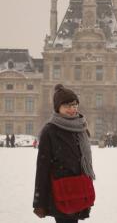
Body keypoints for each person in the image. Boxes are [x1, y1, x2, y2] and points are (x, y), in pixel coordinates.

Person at [33, 84, 95, 223]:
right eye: (67, 106)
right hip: (61, 191)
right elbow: (42, 168)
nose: (72, 109)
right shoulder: (49, 131)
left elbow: (84, 162)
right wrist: (39, 202)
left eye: (74, 105)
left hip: (80, 189)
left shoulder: (81, 127)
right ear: (58, 108)